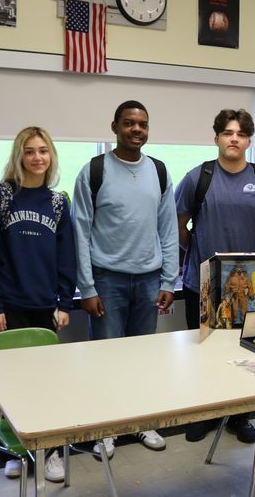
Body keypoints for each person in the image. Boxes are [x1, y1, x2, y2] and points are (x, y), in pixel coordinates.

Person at [73, 100, 178, 456]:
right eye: (130, 123)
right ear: (114, 126)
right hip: (107, 281)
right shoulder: (94, 171)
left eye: (143, 124)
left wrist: (168, 281)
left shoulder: (160, 172)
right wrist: (86, 287)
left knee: (141, 359)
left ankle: (140, 422)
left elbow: (168, 230)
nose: (137, 130)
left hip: (149, 281)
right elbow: (81, 232)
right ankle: (106, 429)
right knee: (107, 359)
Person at [174, 108, 255, 443]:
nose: (233, 139)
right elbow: (179, 226)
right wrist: (202, 250)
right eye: (227, 133)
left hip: (249, 287)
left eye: (240, 134)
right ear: (217, 138)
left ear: (249, 140)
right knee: (204, 354)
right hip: (204, 284)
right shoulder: (198, 178)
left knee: (246, 352)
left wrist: (246, 255)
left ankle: (241, 417)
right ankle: (204, 415)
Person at [0, 126, 76, 482]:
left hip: (45, 306)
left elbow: (67, 257)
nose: (37, 158)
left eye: (43, 151)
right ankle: (16, 452)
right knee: (11, 385)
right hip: (9, 305)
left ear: (51, 156)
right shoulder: (0, 196)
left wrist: (64, 301)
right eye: (30, 151)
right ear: (18, 156)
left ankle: (48, 453)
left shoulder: (58, 202)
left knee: (46, 383)